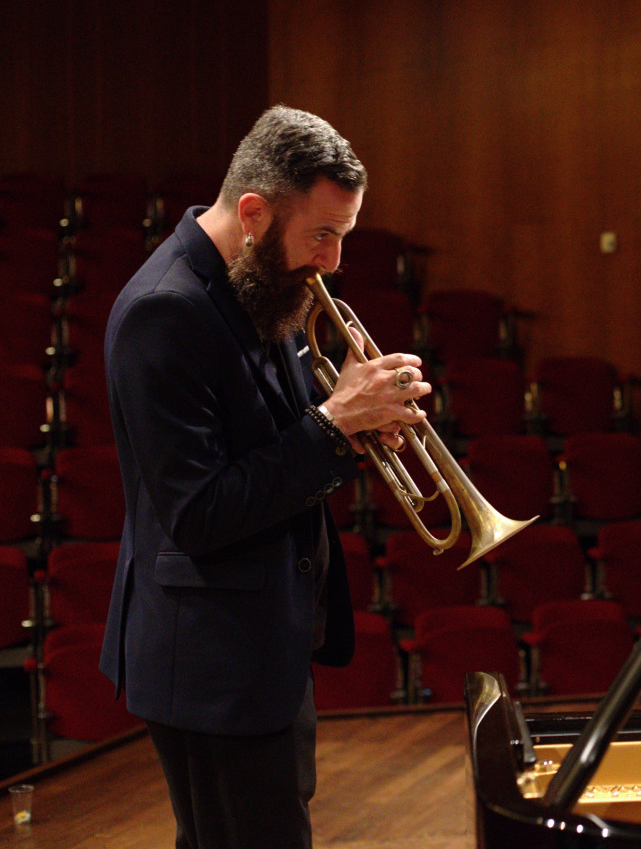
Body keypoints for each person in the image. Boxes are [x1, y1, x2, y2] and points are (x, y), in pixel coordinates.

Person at [99, 105, 430, 848]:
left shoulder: (259, 284)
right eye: (323, 234)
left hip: (262, 644)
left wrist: (357, 413)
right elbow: (198, 512)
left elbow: (279, 435)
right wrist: (334, 424)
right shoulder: (165, 311)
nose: (334, 261)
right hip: (211, 661)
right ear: (252, 212)